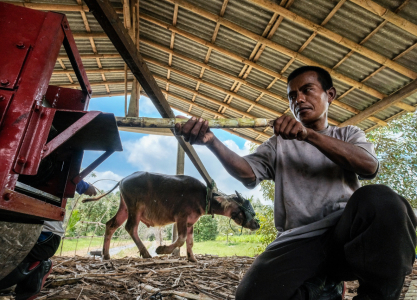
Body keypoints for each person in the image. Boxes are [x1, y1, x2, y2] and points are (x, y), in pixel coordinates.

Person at [174, 66, 417, 300]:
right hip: (299, 241)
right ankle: (322, 290)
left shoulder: (348, 135)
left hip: (344, 238)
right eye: (292, 96)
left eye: (307, 90)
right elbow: (248, 174)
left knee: (383, 200)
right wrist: (212, 142)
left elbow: (369, 166)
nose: (298, 100)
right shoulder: (278, 144)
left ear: (329, 95)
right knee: (251, 295)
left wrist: (308, 135)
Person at [0, 181, 98, 300]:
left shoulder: (47, 172)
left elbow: (69, 177)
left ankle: (35, 272)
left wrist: (83, 186)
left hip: (45, 236)